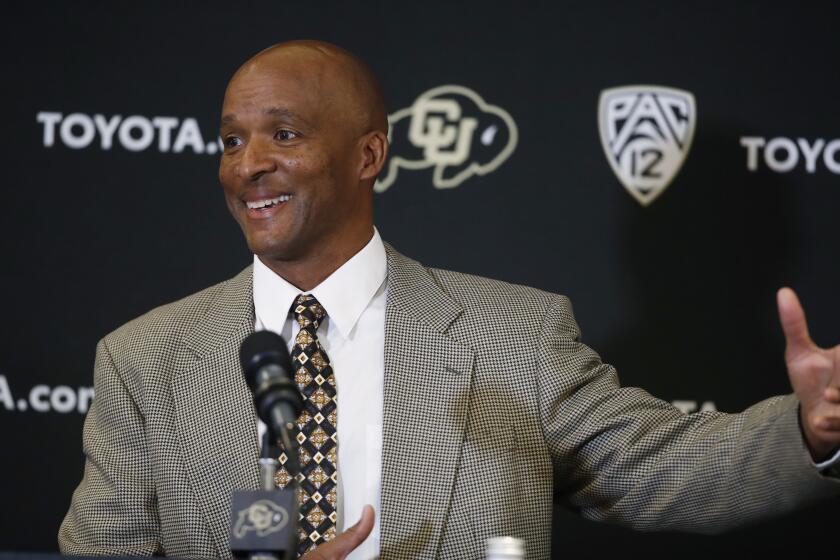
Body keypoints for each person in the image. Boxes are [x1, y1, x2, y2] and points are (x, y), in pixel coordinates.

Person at [59, 40, 840, 560]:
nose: (247, 166)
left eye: (283, 135)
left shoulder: (516, 337)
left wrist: (811, 429)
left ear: (369, 154)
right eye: (232, 141)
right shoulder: (146, 359)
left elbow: (659, 465)